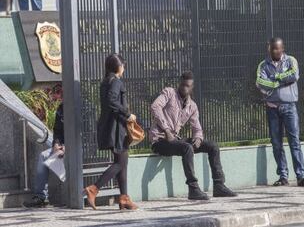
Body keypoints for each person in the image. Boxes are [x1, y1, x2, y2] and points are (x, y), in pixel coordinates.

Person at [149, 71, 237, 200]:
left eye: (188, 86)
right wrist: (166, 130)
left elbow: (197, 127)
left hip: (175, 140)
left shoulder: (192, 106)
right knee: (186, 148)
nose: (185, 88)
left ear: (192, 87)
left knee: (212, 146)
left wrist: (198, 138)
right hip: (160, 141)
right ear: (180, 83)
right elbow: (155, 106)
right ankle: (193, 189)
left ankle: (219, 185)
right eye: (183, 84)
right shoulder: (169, 93)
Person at [256, 37, 304, 187]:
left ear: (283, 48)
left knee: (294, 142)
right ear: (268, 49)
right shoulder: (263, 65)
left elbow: (294, 75)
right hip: (272, 108)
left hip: (289, 107)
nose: (275, 51)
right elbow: (260, 83)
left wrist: (276, 78)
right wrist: (283, 80)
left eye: (278, 48)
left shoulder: (291, 61)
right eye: (272, 48)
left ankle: (301, 176)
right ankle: (283, 176)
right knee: (276, 144)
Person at [84, 54, 138, 210]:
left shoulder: (106, 82)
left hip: (110, 126)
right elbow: (112, 101)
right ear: (118, 67)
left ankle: (124, 198)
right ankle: (94, 188)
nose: (124, 68)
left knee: (123, 163)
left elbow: (109, 102)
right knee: (120, 162)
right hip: (117, 128)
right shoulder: (116, 82)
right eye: (123, 65)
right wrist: (128, 114)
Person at [23, 102, 64, 207]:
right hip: (62, 146)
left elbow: (86, 132)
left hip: (79, 147)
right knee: (43, 155)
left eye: (59, 92)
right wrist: (56, 144)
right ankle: (41, 197)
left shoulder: (82, 106)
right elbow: (57, 131)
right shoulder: (61, 109)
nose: (57, 95)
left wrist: (67, 147)